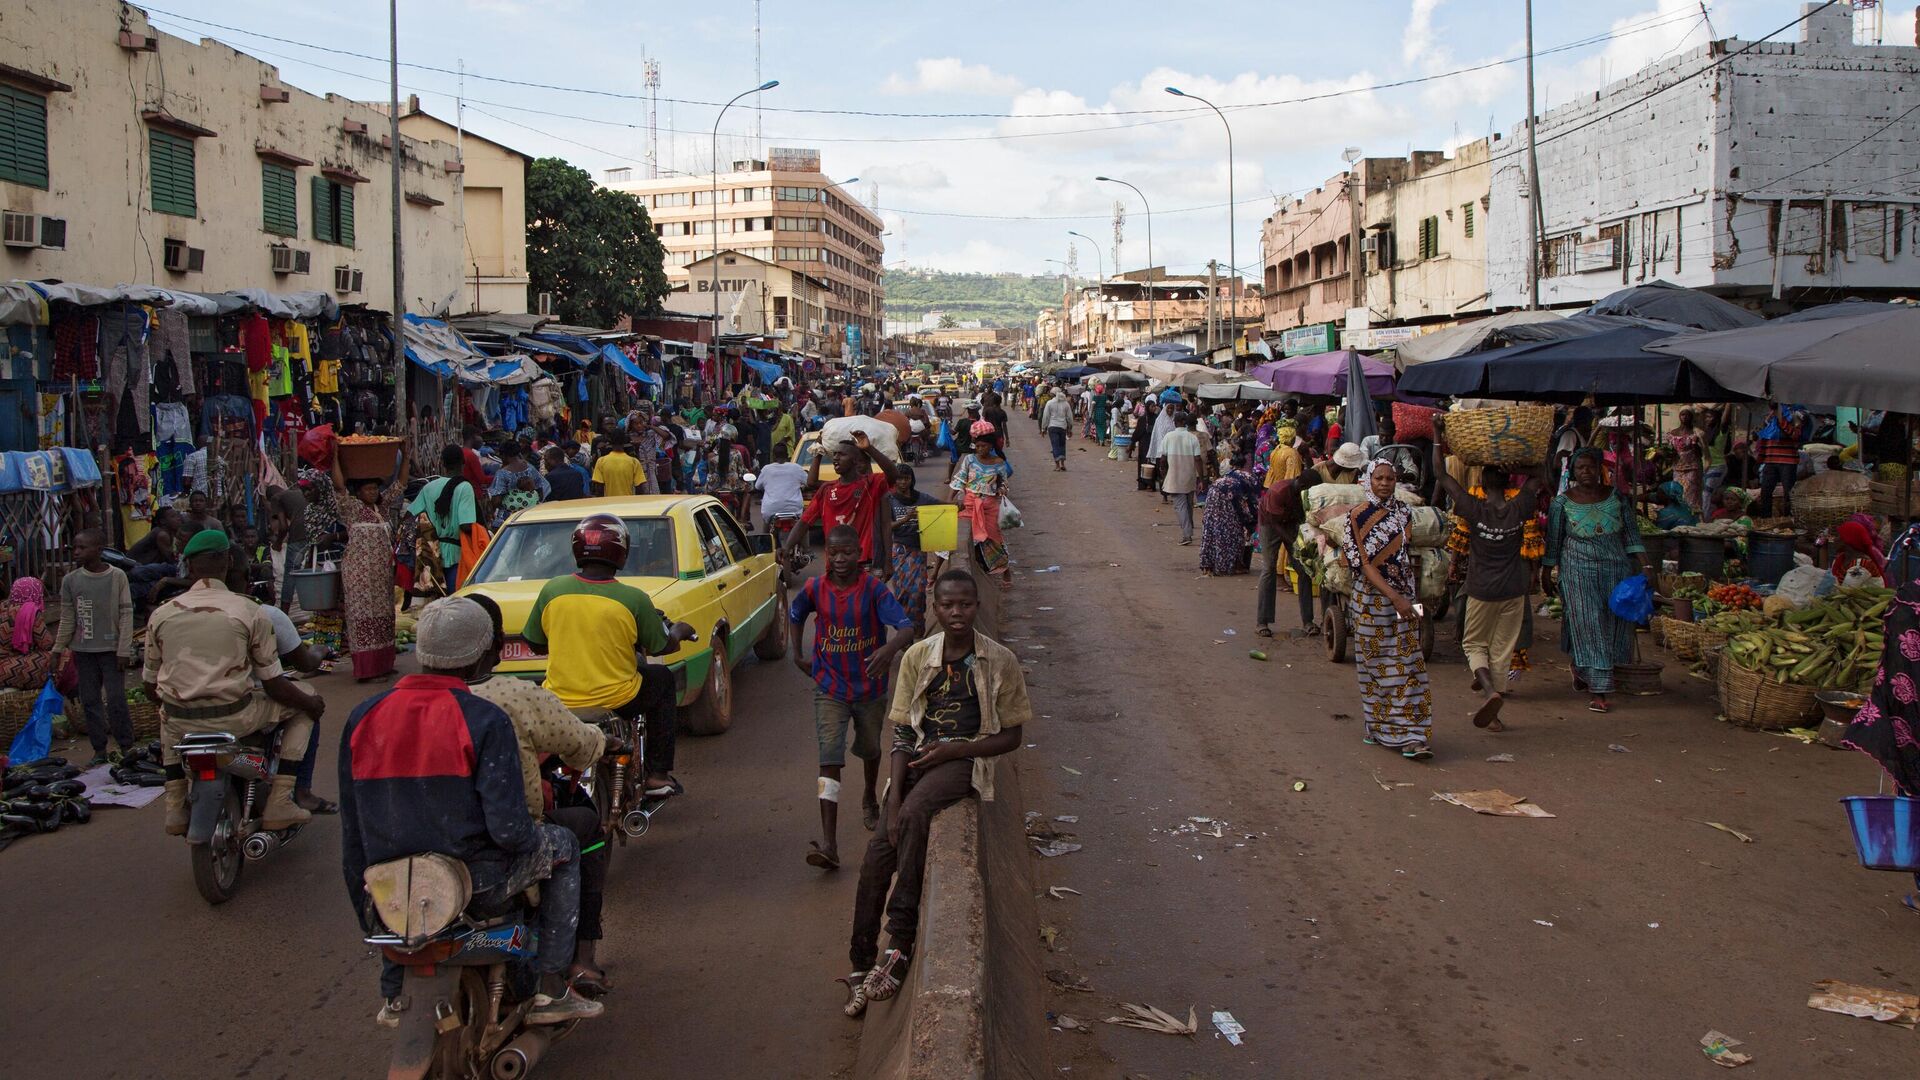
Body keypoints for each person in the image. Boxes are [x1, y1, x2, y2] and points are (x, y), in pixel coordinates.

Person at [339, 597, 602, 1027]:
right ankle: (551, 989)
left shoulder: (364, 716)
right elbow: (511, 831)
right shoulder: (483, 718)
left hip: (392, 886)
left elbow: (353, 836)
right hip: (477, 881)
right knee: (567, 845)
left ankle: (393, 993)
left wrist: (368, 904)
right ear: (485, 652)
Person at [841, 570, 1028, 1016]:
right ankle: (859, 962)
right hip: (921, 756)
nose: (957, 613)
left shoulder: (998, 661)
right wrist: (896, 791)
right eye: (948, 606)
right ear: (935, 609)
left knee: (914, 815)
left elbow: (1012, 736)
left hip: (965, 759)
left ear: (976, 606)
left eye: (965, 604)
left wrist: (957, 749)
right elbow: (903, 731)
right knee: (876, 858)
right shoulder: (917, 658)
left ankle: (900, 939)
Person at [463, 593, 618, 995]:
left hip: (421, 845)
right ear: (496, 644)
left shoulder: (403, 703)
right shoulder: (514, 696)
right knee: (580, 830)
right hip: (503, 841)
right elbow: (579, 743)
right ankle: (572, 966)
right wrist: (603, 742)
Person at [145, 530, 322, 835]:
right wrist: (311, 703)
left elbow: (150, 688)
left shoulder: (162, 614)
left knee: (166, 715)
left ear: (188, 565)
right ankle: (281, 799)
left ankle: (175, 806)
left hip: (181, 724)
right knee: (306, 702)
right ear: (227, 561)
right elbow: (274, 684)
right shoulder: (250, 611)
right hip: (236, 719)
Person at [522, 514, 696, 798]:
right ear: (622, 551)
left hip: (559, 699)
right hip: (619, 698)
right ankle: (657, 775)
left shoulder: (552, 590)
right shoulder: (633, 598)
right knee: (662, 679)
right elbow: (661, 646)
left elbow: (536, 643)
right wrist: (677, 631)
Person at [790, 525, 917, 871]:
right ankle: (829, 843)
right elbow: (795, 614)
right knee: (829, 757)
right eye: (834, 553)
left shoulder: (874, 590)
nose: (841, 559)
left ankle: (868, 796)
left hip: (869, 689)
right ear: (826, 554)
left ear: (858, 553)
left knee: (871, 749)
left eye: (848, 553)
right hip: (830, 687)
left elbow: (905, 627)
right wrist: (797, 654)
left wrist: (889, 650)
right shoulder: (815, 588)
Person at [1433, 435, 1542, 733]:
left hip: (1482, 589)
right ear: (1507, 483)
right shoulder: (1520, 505)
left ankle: (1489, 691)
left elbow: (1441, 474)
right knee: (1501, 648)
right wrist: (1522, 461)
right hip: (1514, 590)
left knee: (1474, 644)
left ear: (1482, 480)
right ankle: (1493, 706)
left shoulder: (1473, 507)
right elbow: (1542, 474)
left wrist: (1437, 434)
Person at [1542, 448, 1649, 714]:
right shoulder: (1562, 503)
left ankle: (1585, 669)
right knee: (1588, 622)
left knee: (1615, 625)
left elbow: (1632, 536)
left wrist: (1646, 565)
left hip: (1616, 569)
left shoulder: (1618, 498)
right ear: (1572, 472)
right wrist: (1546, 572)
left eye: (1590, 467)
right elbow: (1554, 541)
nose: (1586, 472)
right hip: (1577, 569)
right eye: (1580, 468)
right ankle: (1599, 689)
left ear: (1600, 469)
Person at [1345, 460, 1433, 760]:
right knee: (1376, 665)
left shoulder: (1404, 513)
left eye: (1390, 478)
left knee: (1409, 664)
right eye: (1379, 478)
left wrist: (1410, 598)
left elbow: (1406, 558)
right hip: (1371, 602)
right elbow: (1364, 564)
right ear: (1368, 480)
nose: (1384, 483)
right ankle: (1377, 725)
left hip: (1405, 598)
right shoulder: (1356, 517)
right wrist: (1394, 596)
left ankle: (1412, 735)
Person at [53, 529, 136, 766]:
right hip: (84, 651)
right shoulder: (71, 580)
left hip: (111, 651)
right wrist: (57, 649)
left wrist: (124, 649)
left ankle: (126, 745)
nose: (77, 552)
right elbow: (68, 617)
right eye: (75, 548)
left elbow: (126, 614)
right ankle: (99, 749)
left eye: (82, 548)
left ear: (99, 550)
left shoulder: (117, 576)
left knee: (116, 698)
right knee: (89, 700)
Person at [330, 437, 408, 681]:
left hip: (381, 575)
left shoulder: (382, 509)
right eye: (368, 489)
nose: (373, 492)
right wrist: (334, 456)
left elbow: (401, 483)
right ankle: (367, 669)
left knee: (384, 617)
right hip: (360, 576)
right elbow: (339, 486)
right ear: (359, 491)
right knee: (364, 618)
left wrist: (405, 455)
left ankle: (383, 664)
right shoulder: (352, 508)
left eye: (375, 488)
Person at [783, 431, 901, 580]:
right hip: (835, 566)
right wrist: (787, 548)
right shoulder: (826, 490)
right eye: (835, 454)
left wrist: (868, 448)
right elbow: (804, 522)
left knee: (864, 603)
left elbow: (894, 475)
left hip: (865, 563)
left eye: (842, 454)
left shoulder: (870, 484)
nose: (836, 458)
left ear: (855, 461)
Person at [1256, 471, 1320, 640]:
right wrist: (1293, 541)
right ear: (1298, 482)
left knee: (1303, 569)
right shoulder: (1279, 491)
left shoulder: (1307, 493)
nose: (1304, 492)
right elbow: (1275, 523)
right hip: (1270, 524)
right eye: (1303, 488)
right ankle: (1262, 622)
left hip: (1290, 522)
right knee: (1269, 568)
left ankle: (1308, 621)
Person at [407, 445, 480, 593]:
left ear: (443, 464)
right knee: (456, 600)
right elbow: (466, 525)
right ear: (463, 462)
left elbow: (409, 515)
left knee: (438, 601)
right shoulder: (464, 487)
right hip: (457, 555)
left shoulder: (429, 487)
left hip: (432, 556)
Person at [949, 423, 1014, 587]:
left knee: (994, 539)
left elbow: (1004, 484)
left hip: (990, 506)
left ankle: (1005, 570)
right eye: (977, 446)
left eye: (983, 446)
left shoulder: (999, 463)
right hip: (970, 504)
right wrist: (951, 500)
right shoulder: (969, 460)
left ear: (990, 446)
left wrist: (1001, 490)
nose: (980, 449)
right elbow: (960, 480)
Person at [885, 471, 942, 630]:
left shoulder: (922, 498)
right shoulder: (889, 500)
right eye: (899, 478)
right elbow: (887, 525)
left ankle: (916, 627)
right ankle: (904, 628)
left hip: (918, 550)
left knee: (917, 591)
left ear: (912, 479)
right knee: (902, 592)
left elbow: (940, 505)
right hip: (900, 551)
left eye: (906, 478)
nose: (903, 482)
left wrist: (956, 505)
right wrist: (905, 519)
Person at [1200, 452, 1259, 576]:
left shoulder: (1227, 475)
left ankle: (1209, 564)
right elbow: (1251, 502)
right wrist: (1251, 523)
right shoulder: (1248, 477)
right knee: (1233, 532)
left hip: (1213, 496)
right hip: (1229, 498)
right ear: (1245, 464)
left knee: (1212, 528)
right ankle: (1231, 565)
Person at [0, 576, 54, 692]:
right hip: (5, 668)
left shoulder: (3, 606)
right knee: (60, 657)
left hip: (5, 664)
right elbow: (46, 643)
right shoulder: (30, 611)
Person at [1160, 412, 1205, 546]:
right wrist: (1201, 478)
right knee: (1188, 504)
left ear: (1175, 422)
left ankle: (1187, 535)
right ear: (1184, 422)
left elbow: (1163, 459)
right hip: (1189, 476)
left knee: (1180, 506)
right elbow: (1198, 459)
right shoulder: (1192, 438)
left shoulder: (1168, 437)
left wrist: (1163, 475)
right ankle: (1189, 529)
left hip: (1174, 476)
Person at [1753, 405, 1806, 518]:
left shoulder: (1795, 414)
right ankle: (1766, 520)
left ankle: (1789, 519)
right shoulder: (1769, 416)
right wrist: (1760, 460)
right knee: (1765, 492)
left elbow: (1795, 435)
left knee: (1789, 493)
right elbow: (1762, 437)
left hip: (1788, 460)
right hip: (1770, 459)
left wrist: (1781, 418)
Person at [487, 443, 549, 527]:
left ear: (504, 455)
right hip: (530, 516)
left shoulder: (502, 473)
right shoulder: (530, 468)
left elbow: (496, 501)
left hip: (508, 519)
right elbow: (540, 493)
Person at [1667, 409, 1705, 511]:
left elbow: (1700, 454)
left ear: (1692, 417)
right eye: (1682, 414)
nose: (1684, 417)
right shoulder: (1673, 433)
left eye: (1687, 415)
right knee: (1677, 492)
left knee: (1690, 494)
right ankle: (1680, 516)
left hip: (1692, 467)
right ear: (1679, 416)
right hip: (1677, 468)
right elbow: (1670, 451)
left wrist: (1694, 443)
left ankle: (1691, 516)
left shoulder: (1696, 433)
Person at [1042, 387, 1073, 471]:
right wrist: (1070, 428)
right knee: (1062, 445)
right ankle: (1063, 464)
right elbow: (1070, 417)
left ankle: (1057, 466)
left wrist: (1043, 428)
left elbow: (1045, 416)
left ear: (1053, 394)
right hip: (1063, 427)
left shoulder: (1049, 403)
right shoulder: (1065, 403)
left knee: (1055, 445)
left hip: (1052, 427)